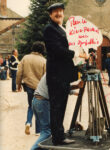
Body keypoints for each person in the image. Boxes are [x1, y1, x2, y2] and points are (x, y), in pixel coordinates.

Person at [43, 3, 88, 145]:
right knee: (57, 107)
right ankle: (58, 137)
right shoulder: (50, 29)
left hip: (62, 75)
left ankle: (59, 135)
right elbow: (57, 50)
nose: (58, 14)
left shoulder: (61, 28)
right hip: (56, 75)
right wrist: (77, 54)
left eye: (60, 11)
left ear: (63, 13)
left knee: (61, 106)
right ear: (50, 15)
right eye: (55, 12)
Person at [16, 41, 46, 135]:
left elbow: (19, 72)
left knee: (30, 106)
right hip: (40, 88)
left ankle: (28, 122)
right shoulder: (44, 61)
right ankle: (38, 131)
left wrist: (18, 84)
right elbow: (46, 76)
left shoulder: (25, 58)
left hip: (28, 86)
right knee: (39, 108)